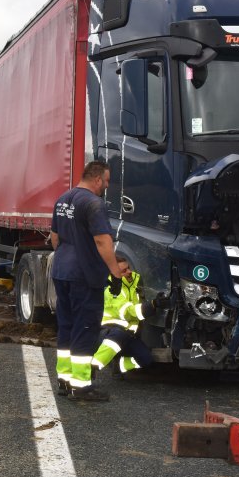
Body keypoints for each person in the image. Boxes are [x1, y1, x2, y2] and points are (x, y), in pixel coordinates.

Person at [50, 160, 122, 401]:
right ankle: (81, 386)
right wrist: (114, 271)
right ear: (98, 179)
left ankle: (64, 379)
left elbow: (54, 237)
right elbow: (103, 241)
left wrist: (65, 259)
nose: (107, 186)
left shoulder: (63, 199)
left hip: (62, 271)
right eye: (107, 181)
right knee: (86, 328)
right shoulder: (93, 204)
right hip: (84, 275)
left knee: (66, 327)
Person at [92, 256, 167, 376]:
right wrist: (153, 305)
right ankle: (93, 365)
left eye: (128, 268)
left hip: (128, 335)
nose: (129, 272)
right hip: (109, 331)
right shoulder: (113, 290)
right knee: (118, 334)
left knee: (146, 358)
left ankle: (118, 365)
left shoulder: (132, 285)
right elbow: (128, 312)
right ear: (115, 274)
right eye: (124, 271)